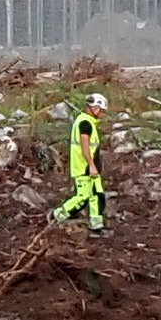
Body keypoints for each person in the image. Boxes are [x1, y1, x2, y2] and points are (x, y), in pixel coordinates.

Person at [53, 93, 108, 232]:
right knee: (82, 197)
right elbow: (85, 146)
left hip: (91, 167)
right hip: (84, 168)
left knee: (97, 195)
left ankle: (97, 225)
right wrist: (91, 165)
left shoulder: (88, 122)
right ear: (95, 108)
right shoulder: (85, 124)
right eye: (102, 111)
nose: (103, 115)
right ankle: (58, 215)